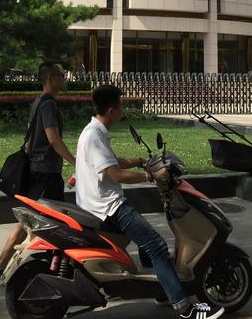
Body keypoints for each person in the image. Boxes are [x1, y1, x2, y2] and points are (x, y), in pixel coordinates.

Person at [76, 84, 224, 319]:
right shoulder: (95, 135)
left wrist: (138, 161)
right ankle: (184, 307)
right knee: (157, 247)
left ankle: (162, 288)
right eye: (121, 104)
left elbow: (112, 162)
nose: (124, 107)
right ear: (112, 109)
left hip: (98, 203)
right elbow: (115, 175)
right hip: (108, 207)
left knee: (147, 242)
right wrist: (150, 176)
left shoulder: (95, 131)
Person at [0, 62, 76, 280]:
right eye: (60, 75)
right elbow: (54, 140)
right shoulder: (48, 106)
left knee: (31, 219)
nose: (63, 78)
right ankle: (53, 268)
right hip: (45, 173)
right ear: (49, 78)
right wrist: (76, 162)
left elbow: (29, 140)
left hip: (38, 170)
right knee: (55, 221)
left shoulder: (38, 102)